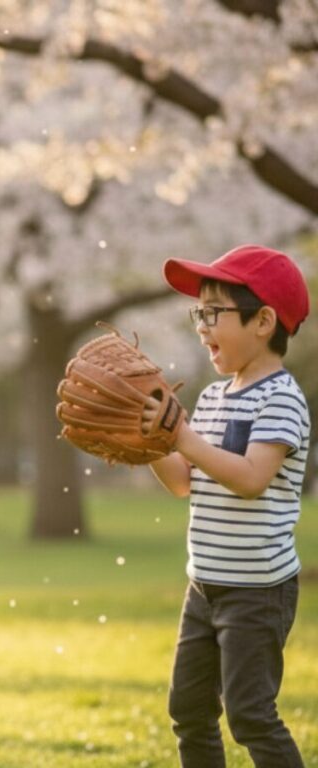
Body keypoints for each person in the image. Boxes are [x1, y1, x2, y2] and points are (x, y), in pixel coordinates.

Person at [146, 244, 309, 768]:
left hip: (256, 590)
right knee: (188, 710)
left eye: (213, 313)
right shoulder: (215, 397)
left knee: (250, 714)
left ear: (263, 321)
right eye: (200, 313)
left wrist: (184, 438)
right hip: (205, 585)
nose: (202, 325)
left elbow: (252, 479)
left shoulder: (281, 398)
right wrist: (145, 442)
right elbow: (182, 483)